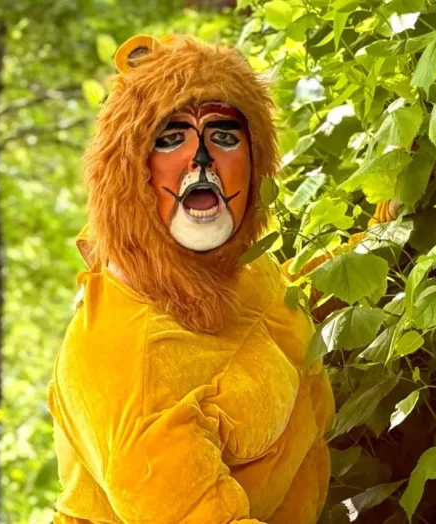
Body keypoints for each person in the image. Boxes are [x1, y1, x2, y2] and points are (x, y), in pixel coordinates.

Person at [47, 34, 335, 523]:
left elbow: (282, 308)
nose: (200, 159)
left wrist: (382, 242)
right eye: (169, 138)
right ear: (126, 172)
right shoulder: (125, 355)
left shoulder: (234, 267)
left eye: (224, 137)